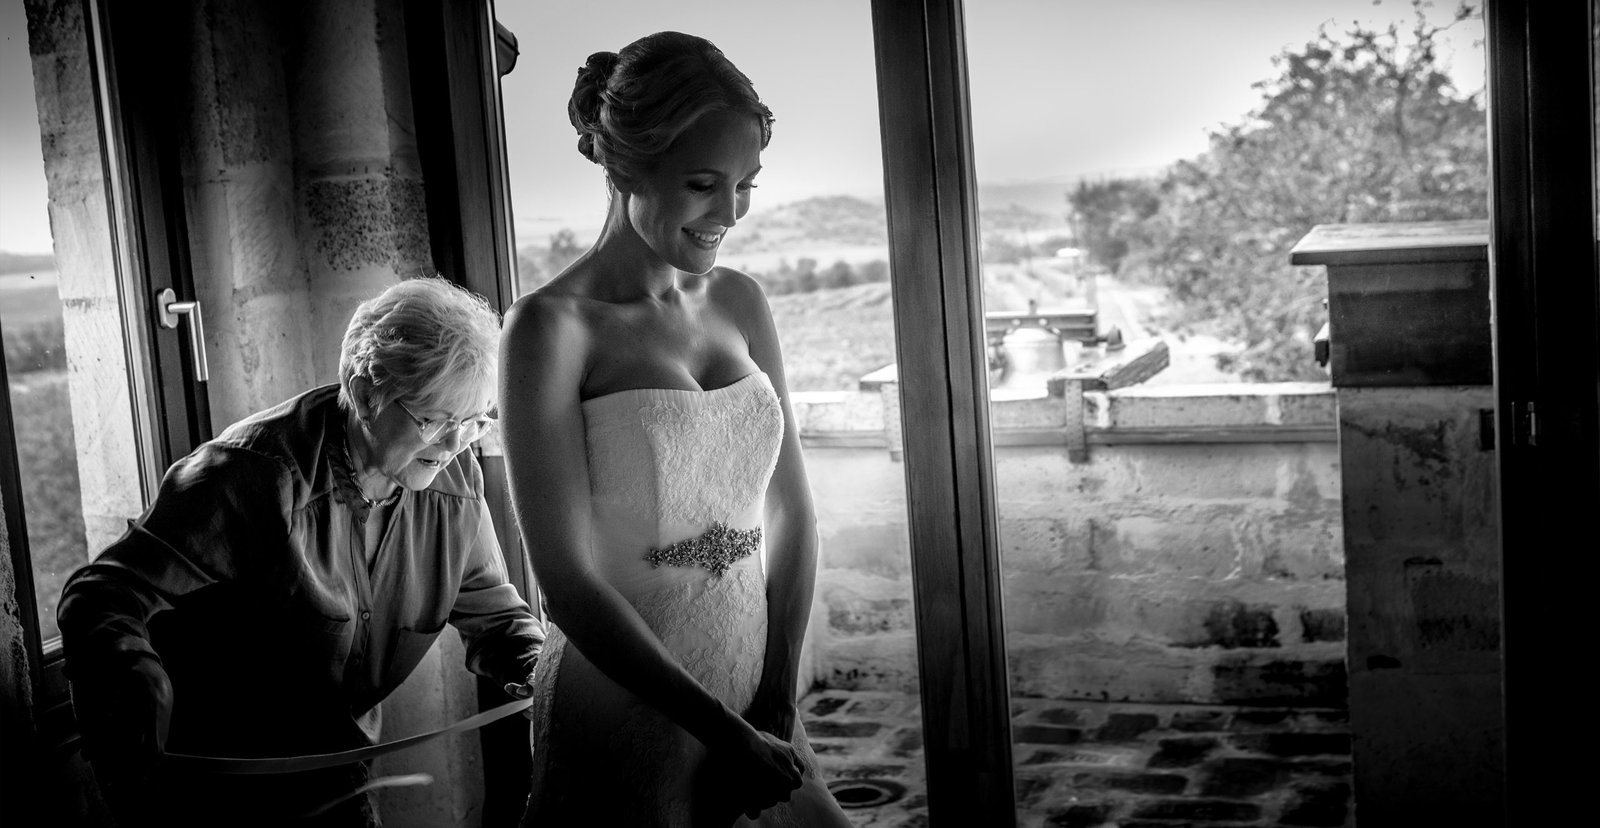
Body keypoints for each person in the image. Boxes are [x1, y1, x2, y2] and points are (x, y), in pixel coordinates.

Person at [499, 31, 853, 827]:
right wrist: (717, 729)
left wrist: (774, 695)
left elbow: (791, 509)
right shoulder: (549, 331)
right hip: (626, 697)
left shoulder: (742, 302)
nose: (728, 213)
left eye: (745, 186)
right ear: (627, 169)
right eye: (703, 184)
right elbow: (568, 585)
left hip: (754, 680)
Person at [57, 277, 545, 827]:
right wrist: (132, 672)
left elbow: (500, 622)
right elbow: (100, 595)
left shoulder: (454, 483)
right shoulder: (253, 475)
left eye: (474, 421)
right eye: (433, 419)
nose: (456, 445)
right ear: (364, 394)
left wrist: (541, 672)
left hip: (337, 764)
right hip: (207, 787)